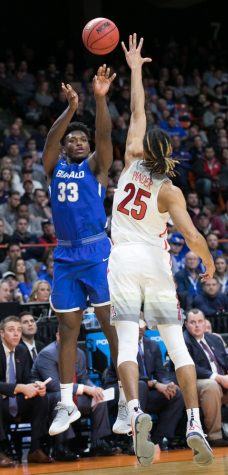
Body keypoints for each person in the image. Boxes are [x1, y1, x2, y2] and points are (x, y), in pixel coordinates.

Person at [108, 33, 215, 466]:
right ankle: (193, 422)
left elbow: (138, 110)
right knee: (178, 347)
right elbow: (191, 237)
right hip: (154, 263)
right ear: (167, 155)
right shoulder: (170, 192)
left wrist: (135, 69)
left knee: (127, 346)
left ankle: (134, 413)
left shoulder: (131, 157)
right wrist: (207, 263)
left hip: (122, 261)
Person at [42, 65, 121, 438]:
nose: (76, 141)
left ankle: (127, 394)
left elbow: (104, 136)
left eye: (81, 140)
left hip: (96, 251)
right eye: (71, 139)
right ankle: (66, 402)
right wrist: (71, 109)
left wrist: (100, 99)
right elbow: (49, 142)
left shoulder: (96, 168)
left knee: (109, 323)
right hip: (65, 255)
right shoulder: (54, 168)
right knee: (67, 328)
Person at [31, 330, 118, 460]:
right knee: (61, 398)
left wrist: (94, 388)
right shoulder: (47, 354)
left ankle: (98, 443)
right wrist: (85, 388)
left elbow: (83, 377)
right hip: (48, 398)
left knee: (99, 397)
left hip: (75, 395)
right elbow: (53, 385)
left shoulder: (80, 353)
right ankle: (62, 447)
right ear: (58, 336)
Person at [104, 319, 185, 450]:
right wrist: (155, 384)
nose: (140, 326)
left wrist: (167, 384)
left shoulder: (152, 345)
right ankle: (137, 439)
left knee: (176, 394)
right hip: (119, 391)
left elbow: (161, 372)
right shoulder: (121, 344)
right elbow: (129, 376)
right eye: (136, 322)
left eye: (142, 323)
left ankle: (158, 440)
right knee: (139, 385)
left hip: (145, 392)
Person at [183, 309, 228, 446]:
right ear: (186, 324)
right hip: (195, 385)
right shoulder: (183, 341)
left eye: (200, 321)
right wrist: (217, 377)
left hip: (221, 383)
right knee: (211, 385)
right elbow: (191, 367)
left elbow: (226, 362)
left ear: (205, 323)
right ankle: (214, 436)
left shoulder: (214, 339)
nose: (197, 325)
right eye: (193, 322)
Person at [0, 316, 52, 464]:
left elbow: (28, 378)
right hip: (2, 401)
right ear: (2, 333)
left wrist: (36, 386)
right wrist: (19, 387)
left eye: (18, 330)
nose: (16, 334)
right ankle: (1, 449)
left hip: (17, 401)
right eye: (11, 330)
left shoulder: (22, 351)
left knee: (41, 397)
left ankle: (35, 449)